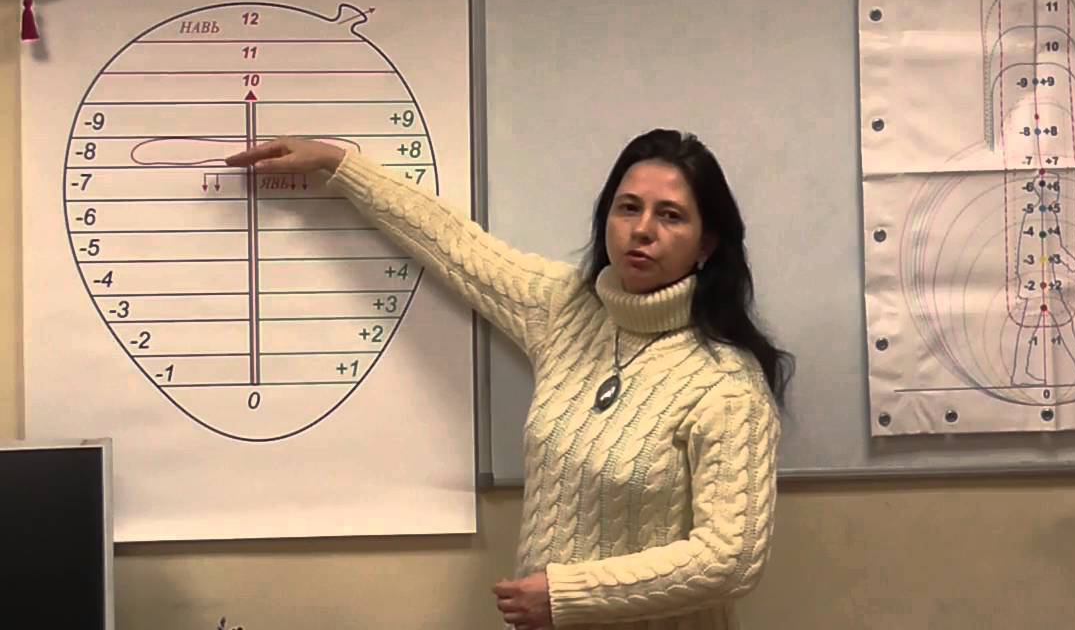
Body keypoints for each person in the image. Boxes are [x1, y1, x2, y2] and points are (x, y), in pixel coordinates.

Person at [225, 128, 792, 629]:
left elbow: (731, 558)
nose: (642, 230)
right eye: (628, 208)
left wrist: (567, 596)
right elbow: (455, 245)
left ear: (706, 244)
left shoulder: (726, 385)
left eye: (670, 216)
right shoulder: (568, 310)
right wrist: (338, 163)